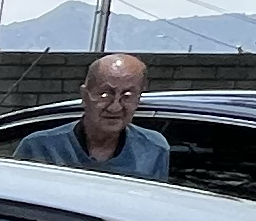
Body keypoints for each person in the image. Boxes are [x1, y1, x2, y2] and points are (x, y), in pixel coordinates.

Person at [10, 53, 170, 179]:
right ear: (85, 96)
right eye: (105, 94)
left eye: (127, 96)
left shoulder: (153, 149)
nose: (115, 107)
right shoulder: (40, 148)